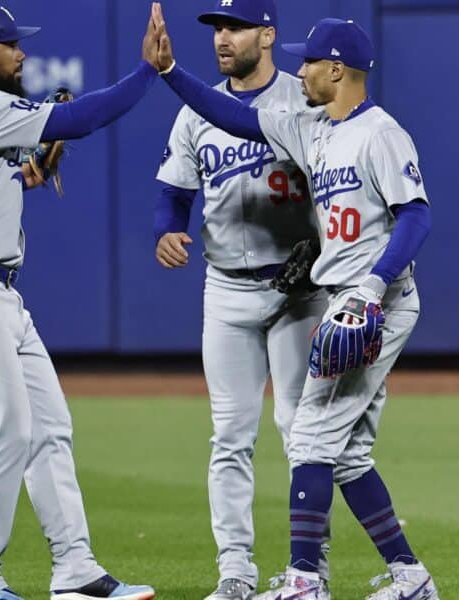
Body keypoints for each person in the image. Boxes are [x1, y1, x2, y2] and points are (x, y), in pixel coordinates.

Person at [151, 7, 439, 600]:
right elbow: (232, 114)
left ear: (337, 70)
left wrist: (372, 284)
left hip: (372, 303)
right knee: (349, 451)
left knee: (307, 437)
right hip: (342, 300)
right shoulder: (314, 129)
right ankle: (410, 577)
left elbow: (416, 215)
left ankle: (305, 580)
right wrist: (172, 71)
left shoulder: (380, 132)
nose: (300, 69)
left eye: (310, 61)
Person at [0, 4, 166, 600]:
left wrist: (26, 171)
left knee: (49, 428)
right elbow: (82, 117)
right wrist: (146, 73)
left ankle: (75, 570)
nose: (21, 54)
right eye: (10, 46)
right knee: (5, 429)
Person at [153, 2, 328, 599]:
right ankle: (235, 573)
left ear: (268, 34)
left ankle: (308, 570)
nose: (223, 38)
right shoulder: (194, 113)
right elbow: (174, 191)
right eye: (216, 29)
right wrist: (165, 230)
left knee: (299, 429)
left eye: (234, 27)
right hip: (225, 287)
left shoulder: (300, 99)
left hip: (297, 291)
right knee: (229, 435)